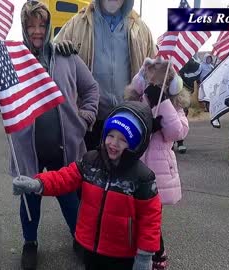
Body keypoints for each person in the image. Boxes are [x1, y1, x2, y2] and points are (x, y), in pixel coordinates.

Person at [12, 101, 162, 270]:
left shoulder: (142, 177)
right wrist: (37, 183)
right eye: (110, 135)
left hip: (122, 252)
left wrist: (144, 256)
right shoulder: (90, 161)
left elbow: (150, 219)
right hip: (90, 246)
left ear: (135, 144)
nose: (113, 143)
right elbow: (64, 178)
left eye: (123, 139)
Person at [10, 2, 99, 269]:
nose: (37, 31)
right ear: (24, 28)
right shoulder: (14, 60)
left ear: (48, 27)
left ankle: (80, 239)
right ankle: (30, 243)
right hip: (29, 149)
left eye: (41, 25)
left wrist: (84, 119)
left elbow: (91, 89)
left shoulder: (66, 56)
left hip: (64, 146)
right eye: (31, 25)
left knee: (70, 199)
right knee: (30, 200)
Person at [54, 0, 155, 151]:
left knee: (122, 173)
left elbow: (154, 70)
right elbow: (52, 59)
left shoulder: (140, 28)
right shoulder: (77, 24)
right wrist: (57, 49)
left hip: (127, 120)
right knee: (89, 172)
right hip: (90, 122)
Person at [125, 57, 189, 269]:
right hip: (136, 169)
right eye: (151, 83)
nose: (154, 88)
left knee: (151, 219)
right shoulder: (136, 103)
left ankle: (157, 252)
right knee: (134, 214)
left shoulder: (175, 109)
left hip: (159, 173)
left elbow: (177, 132)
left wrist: (163, 105)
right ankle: (134, 249)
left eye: (159, 85)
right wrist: (146, 123)